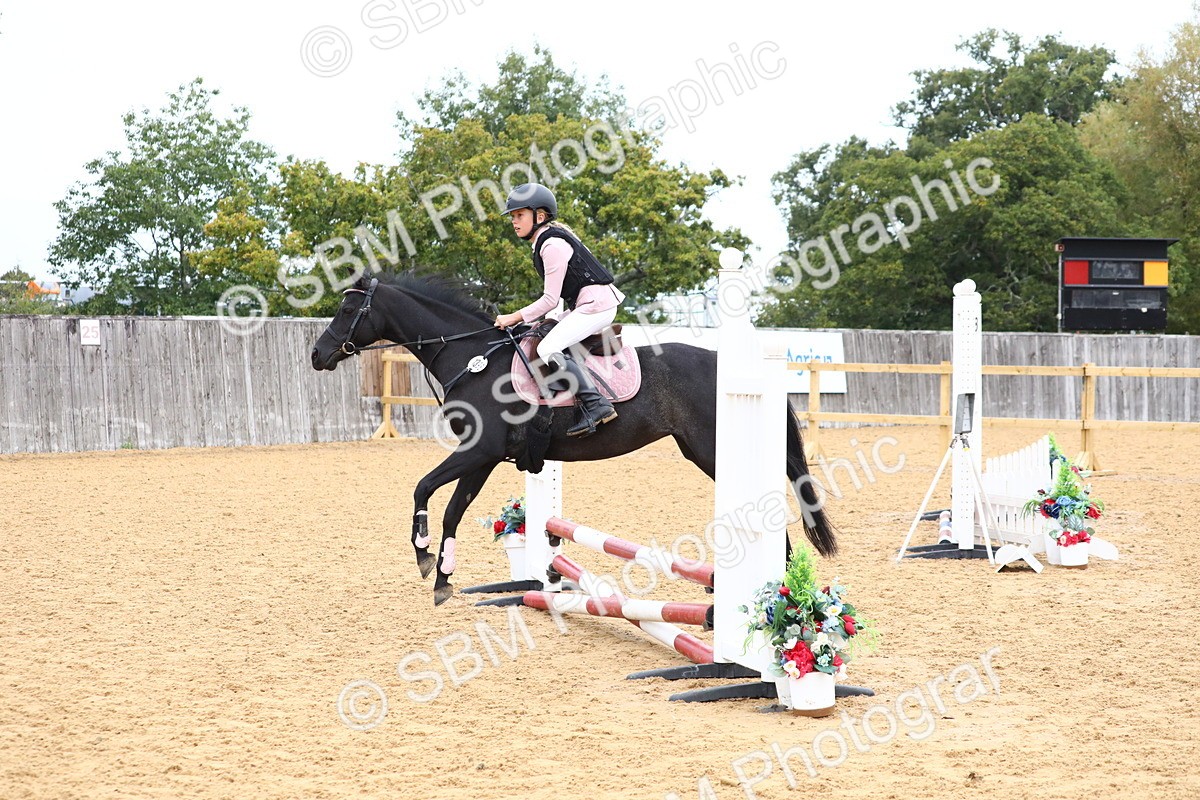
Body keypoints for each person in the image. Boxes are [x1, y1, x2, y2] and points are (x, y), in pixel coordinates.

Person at [494, 182, 624, 438]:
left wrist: (514, 317)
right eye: (512, 216)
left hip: (597, 306)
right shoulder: (546, 240)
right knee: (538, 334)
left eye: (519, 215)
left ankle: (597, 404)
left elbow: (550, 300)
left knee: (547, 349)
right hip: (588, 303)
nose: (514, 221)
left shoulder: (551, 245)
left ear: (539, 216)